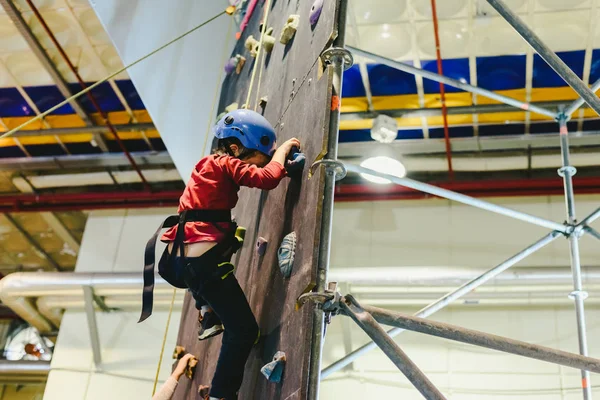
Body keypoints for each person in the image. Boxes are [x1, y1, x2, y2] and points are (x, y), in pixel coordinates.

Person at [139, 109, 301, 400]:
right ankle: (220, 395)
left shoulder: (204, 168)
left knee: (231, 235)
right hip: (202, 264)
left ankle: (207, 311)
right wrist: (284, 152)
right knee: (243, 331)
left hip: (179, 261)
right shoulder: (225, 162)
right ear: (237, 148)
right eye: (256, 157)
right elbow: (266, 178)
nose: (257, 164)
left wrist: (281, 166)